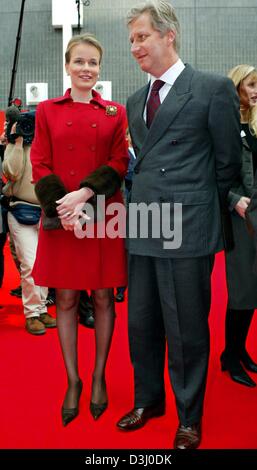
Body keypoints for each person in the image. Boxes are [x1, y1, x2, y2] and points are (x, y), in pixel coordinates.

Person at [116, 1, 241, 449]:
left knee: (186, 328)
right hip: (145, 226)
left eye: (142, 36)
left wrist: (197, 208)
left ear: (169, 35)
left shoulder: (211, 88)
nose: (134, 46)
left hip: (187, 230)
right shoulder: (134, 100)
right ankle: (149, 399)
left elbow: (226, 164)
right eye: (131, 39)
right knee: (142, 323)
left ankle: (189, 416)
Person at [30, 33, 128, 426]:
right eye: (80, 62)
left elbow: (120, 161)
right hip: (61, 218)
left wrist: (85, 195)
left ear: (100, 69)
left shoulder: (114, 112)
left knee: (104, 299)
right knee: (66, 300)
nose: (87, 69)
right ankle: (73, 380)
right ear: (68, 66)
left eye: (93, 63)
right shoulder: (48, 111)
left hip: (103, 217)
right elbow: (40, 162)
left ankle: (99, 376)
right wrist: (62, 206)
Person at [221, 65, 257, 388]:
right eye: (251, 84)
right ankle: (230, 356)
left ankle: (238, 350)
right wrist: (234, 200)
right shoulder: (227, 125)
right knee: (241, 290)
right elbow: (212, 170)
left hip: (255, 214)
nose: (256, 90)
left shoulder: (255, 125)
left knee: (252, 291)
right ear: (237, 87)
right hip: (238, 217)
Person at [2, 123, 56, 335]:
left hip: (47, 214)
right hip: (20, 211)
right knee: (31, 265)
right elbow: (12, 173)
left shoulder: (48, 146)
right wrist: (16, 142)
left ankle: (41, 309)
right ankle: (32, 314)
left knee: (44, 265)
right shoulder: (15, 144)